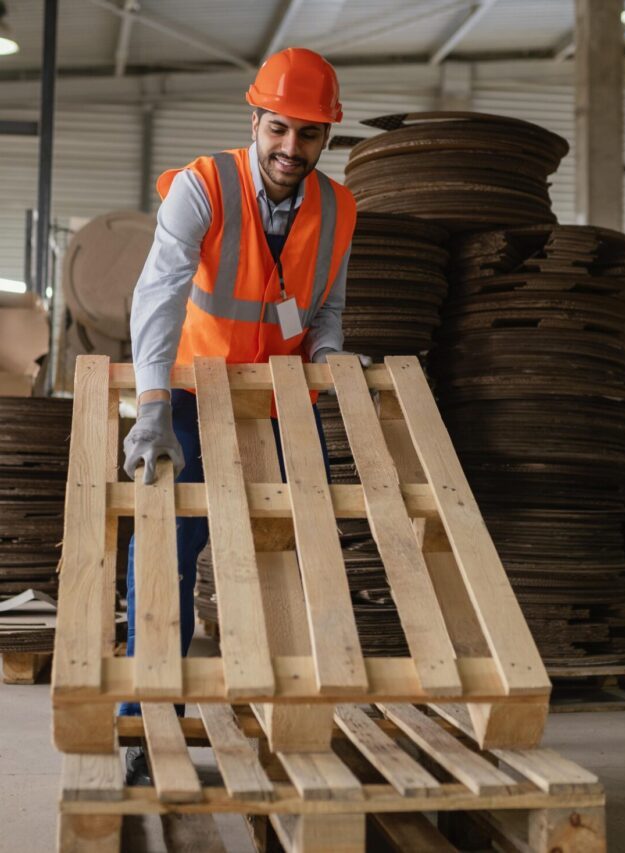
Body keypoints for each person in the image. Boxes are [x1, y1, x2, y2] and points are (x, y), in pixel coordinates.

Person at [121, 47, 370, 784]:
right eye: (279, 130)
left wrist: (327, 354)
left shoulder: (341, 208)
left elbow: (326, 305)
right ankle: (147, 721)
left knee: (304, 542)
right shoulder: (202, 186)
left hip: (281, 397)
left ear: (327, 136)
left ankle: (297, 718)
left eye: (310, 134)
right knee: (165, 540)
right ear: (254, 119)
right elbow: (158, 293)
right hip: (194, 392)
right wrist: (154, 404)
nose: (293, 148)